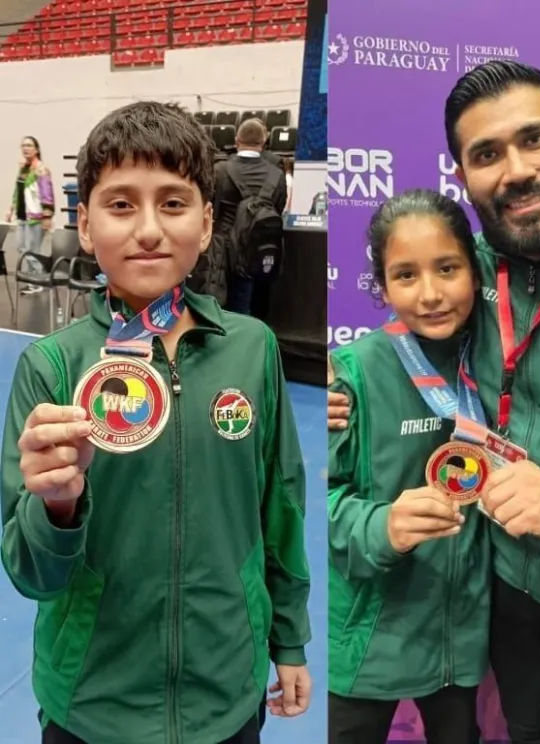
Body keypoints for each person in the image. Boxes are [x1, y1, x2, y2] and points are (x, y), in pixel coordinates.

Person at [330, 60, 540, 743]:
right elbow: (418, 309)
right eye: (486, 155)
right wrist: (350, 388)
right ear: (462, 175)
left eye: (532, 140)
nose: (514, 171)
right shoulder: (476, 261)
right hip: (507, 587)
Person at [0, 101, 312, 744]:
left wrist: (289, 636)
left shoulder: (253, 348)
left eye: (172, 203)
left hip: (227, 691)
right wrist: (56, 508)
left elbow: (279, 507)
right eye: (120, 205)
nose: (148, 229)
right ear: (84, 226)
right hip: (91, 701)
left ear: (206, 223)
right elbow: (30, 573)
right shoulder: (51, 368)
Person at [328, 188, 490, 744]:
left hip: (462, 638)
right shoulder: (352, 375)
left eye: (447, 269)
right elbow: (315, 501)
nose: (429, 295)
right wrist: (382, 526)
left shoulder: (498, 361)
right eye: (404, 276)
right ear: (382, 282)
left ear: (475, 268)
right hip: (370, 636)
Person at [211, 117, 287, 318]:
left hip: (223, 253)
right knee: (253, 310)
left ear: (237, 140)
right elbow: (278, 210)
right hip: (261, 251)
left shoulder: (219, 170)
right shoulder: (277, 174)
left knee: (222, 311)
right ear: (264, 142)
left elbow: (210, 208)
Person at [6, 135, 55, 293]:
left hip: (35, 217)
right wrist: (11, 208)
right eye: (23, 145)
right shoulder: (23, 170)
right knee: (21, 247)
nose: (25, 148)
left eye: (29, 145)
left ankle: (38, 281)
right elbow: (18, 191)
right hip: (22, 216)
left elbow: (47, 194)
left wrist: (47, 216)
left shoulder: (41, 170)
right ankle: (31, 278)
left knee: (33, 251)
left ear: (36, 149)